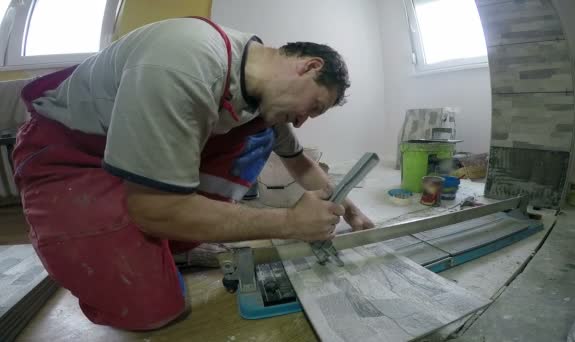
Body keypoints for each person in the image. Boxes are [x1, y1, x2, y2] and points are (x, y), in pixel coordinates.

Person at [12, 17, 374, 330]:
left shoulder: (257, 95)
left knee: (262, 133)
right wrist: (289, 223)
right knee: (152, 310)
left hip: (133, 164)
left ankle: (177, 240)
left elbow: (300, 163)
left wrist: (348, 205)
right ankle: (140, 232)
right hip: (70, 158)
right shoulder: (185, 61)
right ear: (309, 67)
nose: (301, 120)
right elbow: (154, 210)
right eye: (314, 106)